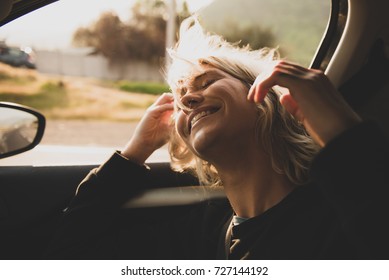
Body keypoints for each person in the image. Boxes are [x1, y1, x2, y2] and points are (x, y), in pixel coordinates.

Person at [46, 17, 389, 259]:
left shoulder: (343, 210)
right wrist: (135, 152)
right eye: (181, 99)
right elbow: (71, 257)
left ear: (266, 94)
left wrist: (343, 133)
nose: (188, 100)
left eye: (205, 82)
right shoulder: (195, 237)